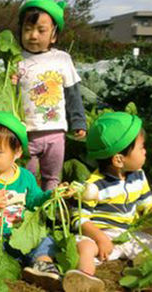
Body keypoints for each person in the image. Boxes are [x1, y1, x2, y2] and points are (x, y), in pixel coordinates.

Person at [0, 111, 62, 291]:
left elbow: (34, 200)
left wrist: (51, 195)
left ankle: (41, 265)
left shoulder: (25, 177)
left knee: (45, 241)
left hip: (20, 234)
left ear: (16, 152)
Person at [64, 112, 152, 292]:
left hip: (127, 235)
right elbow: (79, 218)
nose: (145, 151)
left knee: (149, 243)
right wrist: (100, 237)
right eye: (141, 147)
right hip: (99, 237)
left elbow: (147, 205)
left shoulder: (139, 177)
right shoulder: (94, 186)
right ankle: (84, 276)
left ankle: (142, 275)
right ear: (119, 159)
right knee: (83, 245)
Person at [16, 0, 87, 190]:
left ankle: (50, 211)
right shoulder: (16, 60)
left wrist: (78, 121)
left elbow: (72, 93)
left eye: (41, 30)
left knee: (52, 176)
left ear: (54, 35)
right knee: (25, 176)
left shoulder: (62, 59)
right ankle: (27, 210)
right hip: (26, 132)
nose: (33, 35)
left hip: (55, 131)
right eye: (28, 29)